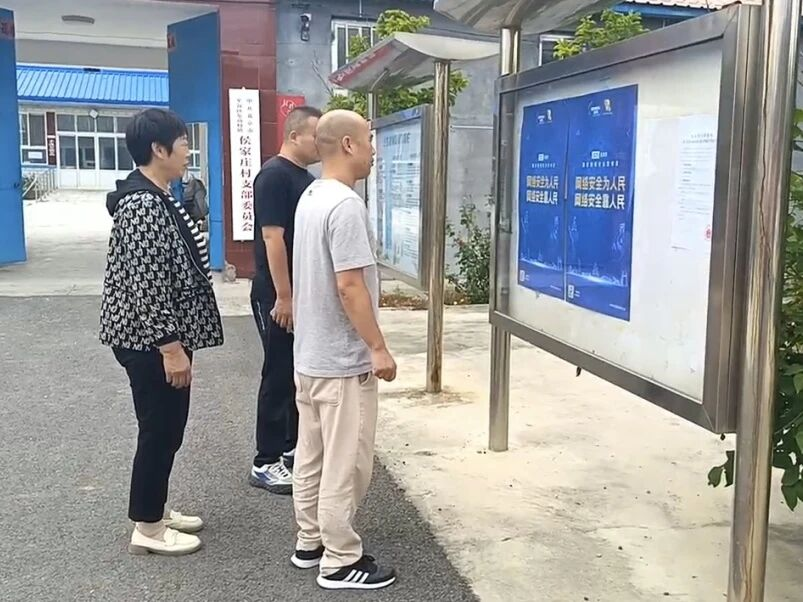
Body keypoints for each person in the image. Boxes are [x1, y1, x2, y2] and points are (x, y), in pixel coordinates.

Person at [99, 108, 224, 556]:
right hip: (149, 341)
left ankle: (154, 510)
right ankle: (148, 527)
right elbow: (147, 285)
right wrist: (171, 349)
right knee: (159, 428)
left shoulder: (160, 195)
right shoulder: (142, 206)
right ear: (159, 149)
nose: (188, 151)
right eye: (183, 143)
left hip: (155, 337)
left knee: (167, 428)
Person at [291, 110, 398, 590]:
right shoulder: (347, 205)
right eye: (370, 140)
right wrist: (378, 348)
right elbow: (349, 285)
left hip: (311, 357)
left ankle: (310, 540)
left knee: (312, 454)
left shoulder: (312, 196)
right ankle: (339, 559)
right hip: (342, 362)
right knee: (346, 461)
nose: (374, 150)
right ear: (350, 145)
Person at [249, 106, 322, 493]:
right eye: (315, 136)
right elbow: (272, 238)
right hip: (277, 294)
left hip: (299, 294)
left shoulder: (306, 179)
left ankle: (290, 447)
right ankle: (265, 461)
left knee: (297, 371)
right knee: (277, 373)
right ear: (294, 135)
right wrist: (284, 296)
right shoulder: (274, 176)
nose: (321, 144)